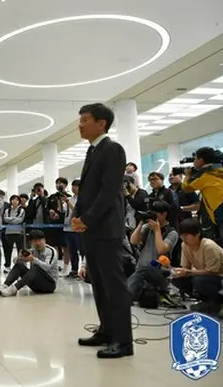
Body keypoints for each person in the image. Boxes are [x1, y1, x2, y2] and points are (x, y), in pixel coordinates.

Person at [71, 102, 133, 359]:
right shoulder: (92, 151)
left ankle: (124, 341)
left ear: (101, 123)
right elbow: (87, 192)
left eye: (85, 119)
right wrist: (78, 216)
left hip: (106, 228)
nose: (80, 124)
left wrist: (88, 218)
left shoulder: (113, 149)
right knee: (98, 283)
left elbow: (109, 192)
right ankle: (106, 331)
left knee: (113, 284)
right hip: (92, 228)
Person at [182, 147, 223, 263]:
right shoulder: (216, 171)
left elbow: (187, 187)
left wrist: (187, 175)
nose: (194, 162)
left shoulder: (207, 175)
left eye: (195, 159)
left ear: (201, 160)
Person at [171, 218, 223, 314]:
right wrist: (177, 272)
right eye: (182, 235)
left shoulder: (208, 246)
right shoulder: (184, 245)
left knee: (199, 281)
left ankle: (221, 302)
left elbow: (213, 271)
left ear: (197, 234)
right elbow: (185, 267)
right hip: (206, 276)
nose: (184, 238)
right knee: (178, 279)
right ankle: (206, 301)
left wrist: (188, 272)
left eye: (187, 235)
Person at [127, 201, 178, 301]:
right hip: (140, 271)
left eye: (155, 214)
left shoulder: (172, 233)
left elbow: (161, 249)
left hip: (159, 272)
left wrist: (157, 230)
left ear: (164, 214)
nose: (152, 217)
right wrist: (141, 222)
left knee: (146, 268)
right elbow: (133, 241)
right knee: (132, 292)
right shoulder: (147, 228)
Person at [0, 230, 58, 296]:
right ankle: (5, 285)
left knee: (36, 268)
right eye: (35, 241)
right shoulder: (32, 251)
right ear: (31, 242)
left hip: (49, 285)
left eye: (40, 240)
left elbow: (47, 267)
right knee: (19, 265)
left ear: (44, 240)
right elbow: (14, 261)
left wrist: (33, 259)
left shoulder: (51, 251)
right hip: (35, 286)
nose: (38, 243)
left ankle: (14, 289)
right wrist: (20, 258)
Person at [2, 194, 25, 271]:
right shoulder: (7, 210)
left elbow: (20, 220)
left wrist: (10, 220)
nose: (14, 201)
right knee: (8, 250)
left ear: (19, 201)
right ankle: (7, 266)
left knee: (20, 250)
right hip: (8, 233)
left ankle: (20, 266)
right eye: (13, 199)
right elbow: (5, 219)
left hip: (19, 233)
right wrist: (14, 219)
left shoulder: (21, 210)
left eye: (16, 200)